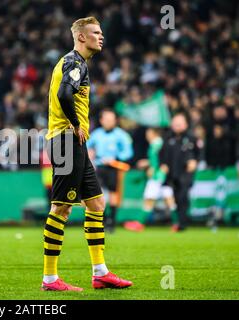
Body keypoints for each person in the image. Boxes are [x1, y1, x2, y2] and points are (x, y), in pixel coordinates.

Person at [41, 17, 132, 291]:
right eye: (95, 32)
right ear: (81, 37)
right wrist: (78, 124)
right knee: (61, 208)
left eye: (102, 32)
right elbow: (64, 94)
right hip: (67, 141)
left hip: (72, 143)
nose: (101, 36)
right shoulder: (75, 62)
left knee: (96, 204)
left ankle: (100, 272)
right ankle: (50, 279)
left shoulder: (73, 62)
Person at [86, 108, 133, 232]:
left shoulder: (121, 135)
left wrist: (116, 158)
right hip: (99, 167)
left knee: (113, 194)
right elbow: (86, 148)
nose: (109, 122)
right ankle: (102, 220)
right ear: (101, 120)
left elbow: (128, 152)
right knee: (99, 195)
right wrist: (91, 156)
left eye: (112, 120)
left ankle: (112, 221)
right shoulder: (96, 134)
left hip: (114, 167)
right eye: (107, 119)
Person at [124, 127, 175, 232]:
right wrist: (148, 163)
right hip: (162, 176)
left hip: (157, 176)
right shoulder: (158, 143)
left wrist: (153, 168)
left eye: (148, 133)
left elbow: (162, 158)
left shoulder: (157, 144)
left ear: (154, 133)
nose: (146, 136)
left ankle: (140, 223)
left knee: (149, 198)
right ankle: (177, 223)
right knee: (169, 198)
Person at [160, 113, 199, 232]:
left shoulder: (192, 138)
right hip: (172, 172)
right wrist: (163, 164)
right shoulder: (167, 137)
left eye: (179, 124)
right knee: (176, 197)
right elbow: (162, 154)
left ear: (185, 125)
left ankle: (182, 223)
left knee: (183, 195)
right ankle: (178, 221)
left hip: (186, 172)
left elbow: (199, 153)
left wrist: (195, 161)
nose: (177, 126)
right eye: (175, 123)